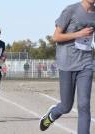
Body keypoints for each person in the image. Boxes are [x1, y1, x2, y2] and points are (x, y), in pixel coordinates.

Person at [40, 1, 95, 134]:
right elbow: (56, 37)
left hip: (86, 63)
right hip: (67, 63)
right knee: (66, 106)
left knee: (84, 105)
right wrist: (79, 34)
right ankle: (52, 115)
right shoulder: (71, 10)